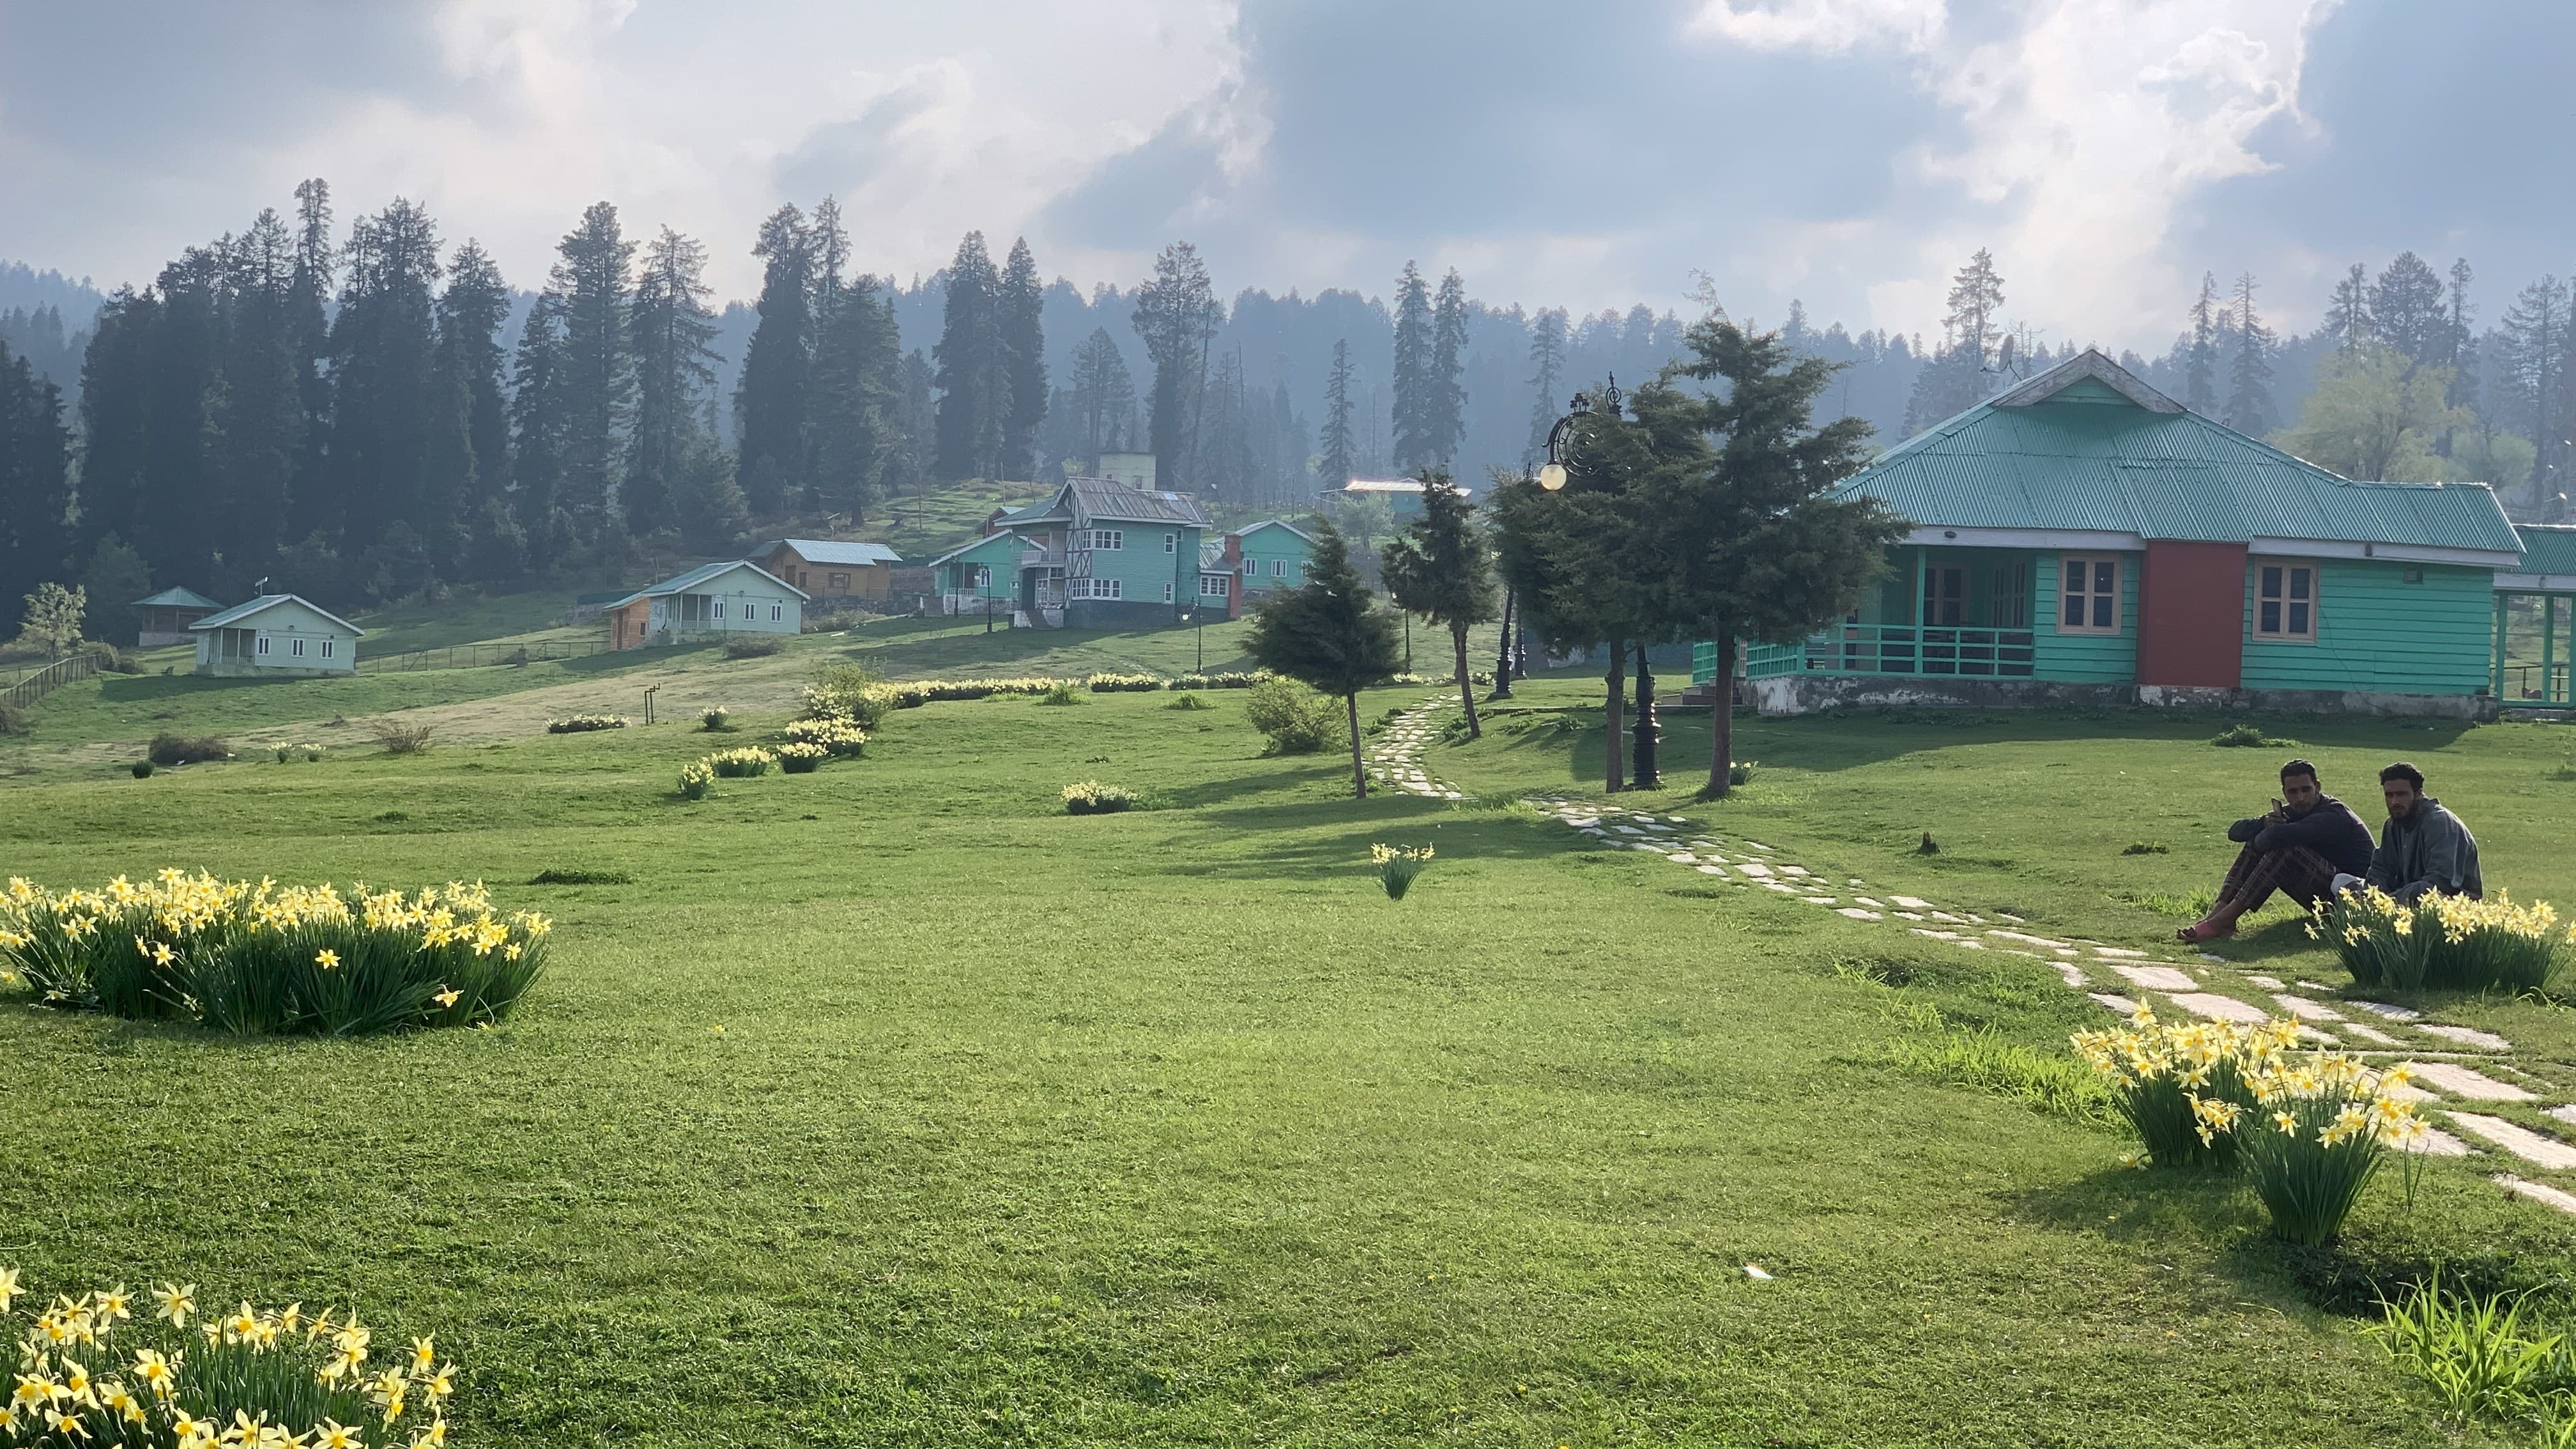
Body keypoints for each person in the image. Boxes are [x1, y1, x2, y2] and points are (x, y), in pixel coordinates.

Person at [2179, 758, 2373, 942]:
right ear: (2284, 793)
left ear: (2318, 787)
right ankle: (2217, 914)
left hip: (2353, 899)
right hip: (2324, 894)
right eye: (2293, 792)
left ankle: (2223, 920)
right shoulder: (2292, 812)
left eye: (2306, 789)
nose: (2300, 798)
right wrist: (2264, 823)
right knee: (2261, 842)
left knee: (2283, 849)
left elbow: (2274, 838)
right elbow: (2235, 832)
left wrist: (2264, 836)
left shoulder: (2333, 813)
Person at [2361, 761, 2481, 903]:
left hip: (2451, 909)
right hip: (2405, 902)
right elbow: (2380, 870)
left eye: (2401, 795)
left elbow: (2438, 884)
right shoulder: (2393, 824)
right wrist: (2372, 896)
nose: (2394, 802)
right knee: (2342, 881)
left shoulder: (2439, 823)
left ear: (2418, 793)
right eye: (2389, 795)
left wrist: (2389, 902)